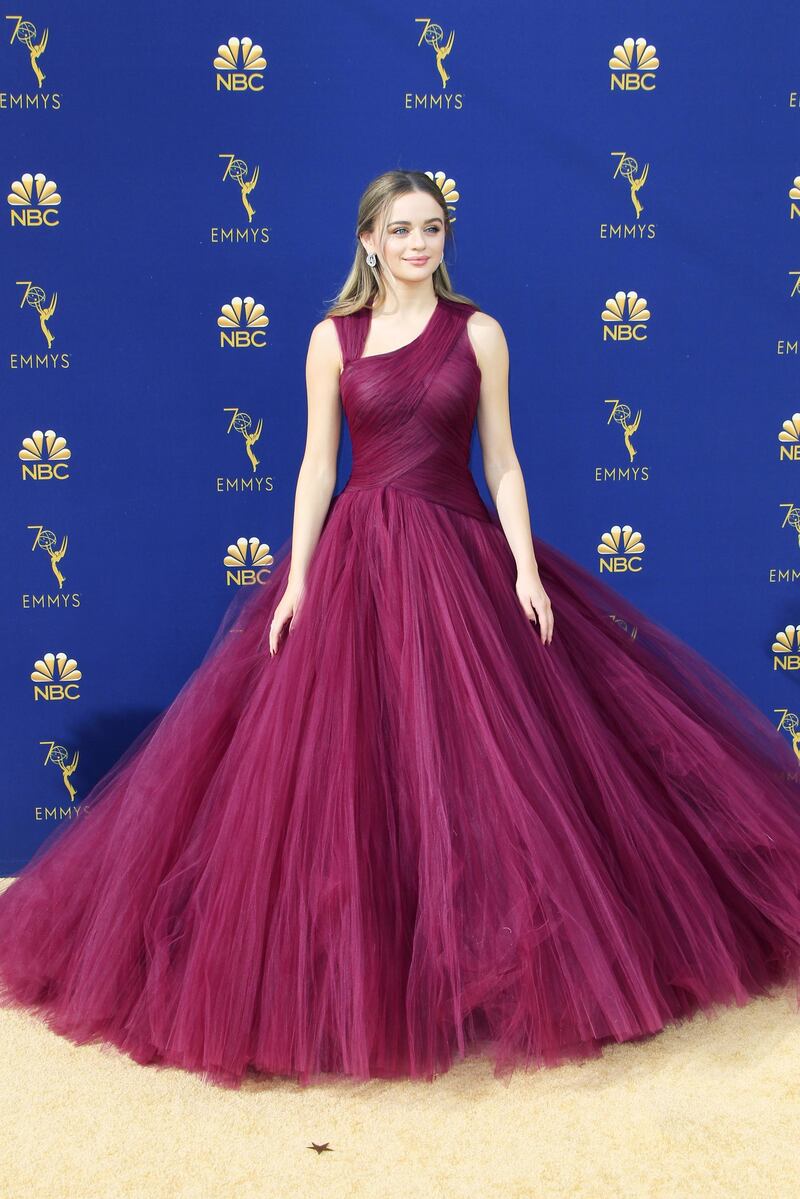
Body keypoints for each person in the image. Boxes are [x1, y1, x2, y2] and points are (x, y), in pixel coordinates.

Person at [1, 168, 800, 1091]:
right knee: (356, 770)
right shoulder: (331, 339)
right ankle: (374, 973)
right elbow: (313, 467)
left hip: (462, 557)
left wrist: (525, 568)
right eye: (399, 229)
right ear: (369, 240)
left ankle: (479, 975)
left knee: (488, 769)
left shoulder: (481, 333)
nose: (418, 243)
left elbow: (501, 459)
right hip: (358, 559)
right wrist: (298, 578)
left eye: (431, 228)